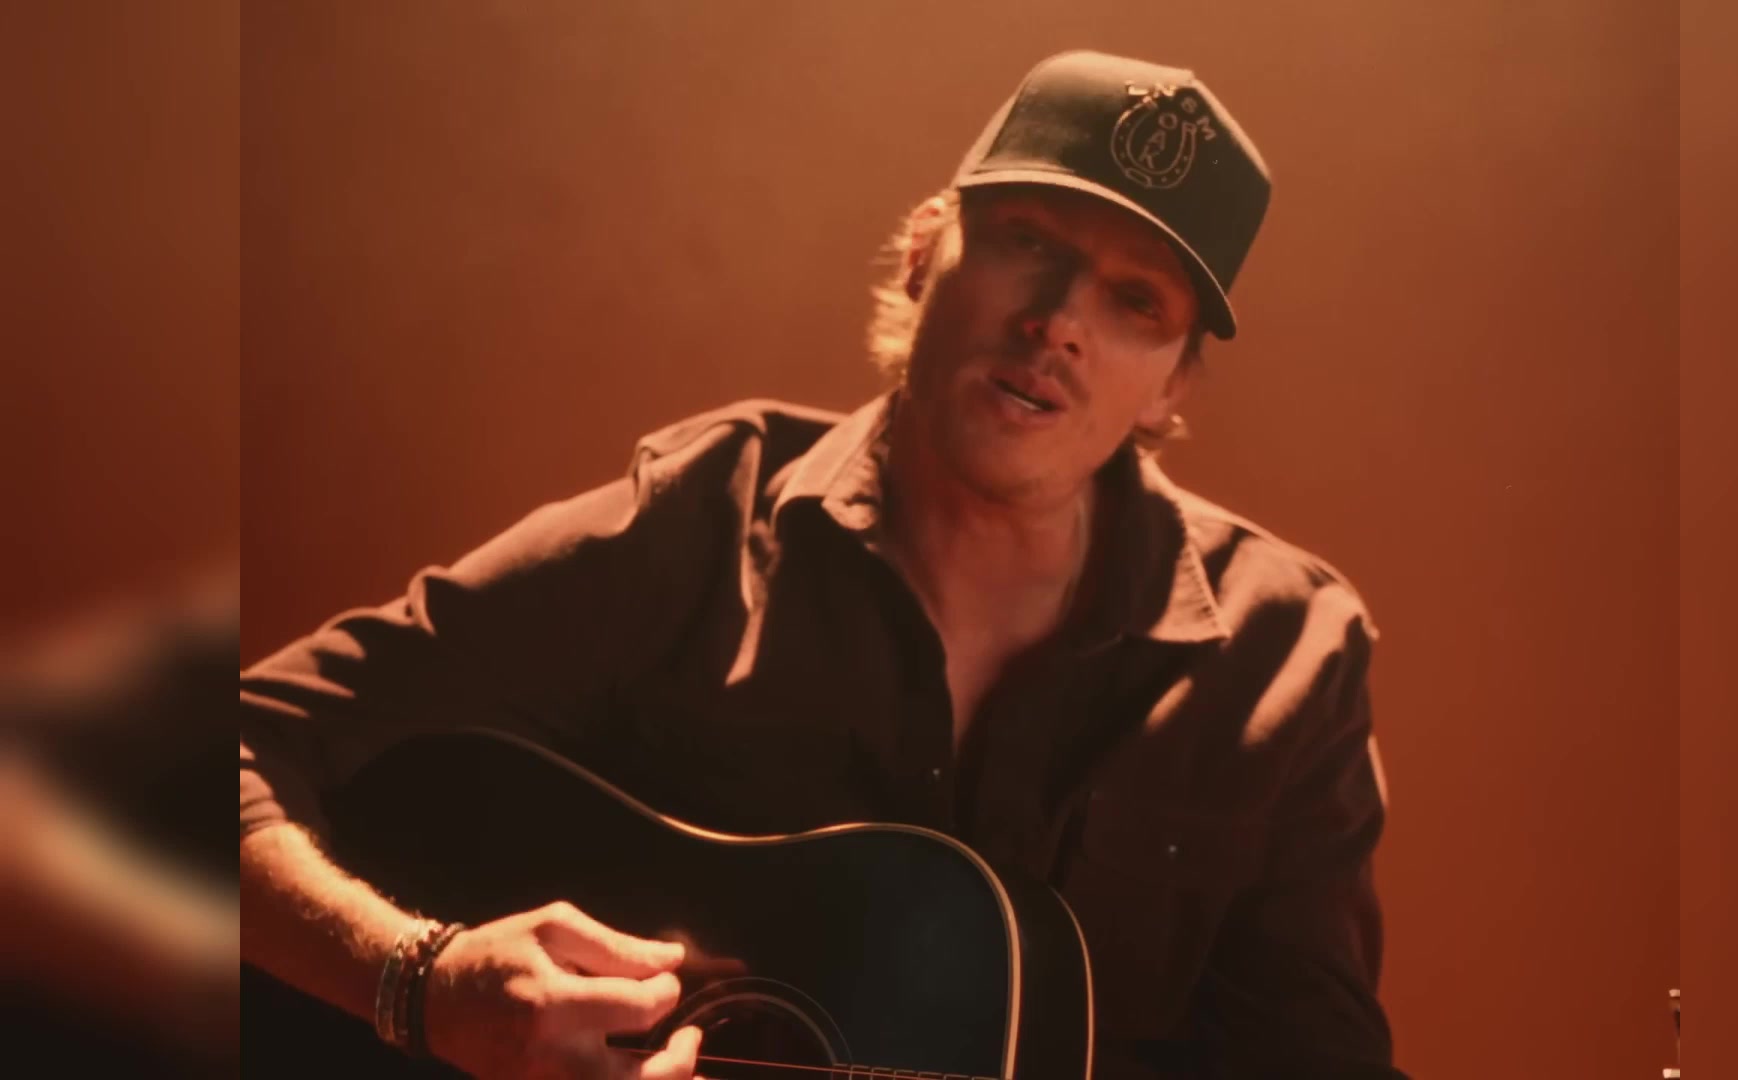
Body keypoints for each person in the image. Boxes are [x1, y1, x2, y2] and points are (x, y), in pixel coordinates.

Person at [239, 50, 1404, 1079]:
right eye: (1028, 243)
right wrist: (419, 983)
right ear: (924, 252)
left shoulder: (1288, 652)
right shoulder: (701, 517)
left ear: (1174, 383)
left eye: (1135, 301)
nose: (1059, 321)